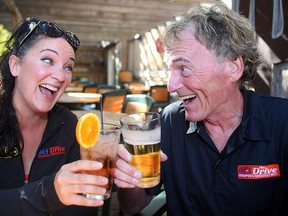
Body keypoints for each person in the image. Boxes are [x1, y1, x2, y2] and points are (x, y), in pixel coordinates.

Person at [114, 2, 288, 215]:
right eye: (170, 70)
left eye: (183, 68)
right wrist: (129, 178)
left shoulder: (282, 122)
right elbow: (131, 207)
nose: (171, 86)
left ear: (233, 67)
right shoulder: (170, 121)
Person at [0, 17, 107, 215]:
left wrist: (113, 179)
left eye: (68, 67)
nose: (61, 76)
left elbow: (82, 208)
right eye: (48, 60)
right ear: (15, 65)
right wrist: (49, 193)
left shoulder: (68, 125)